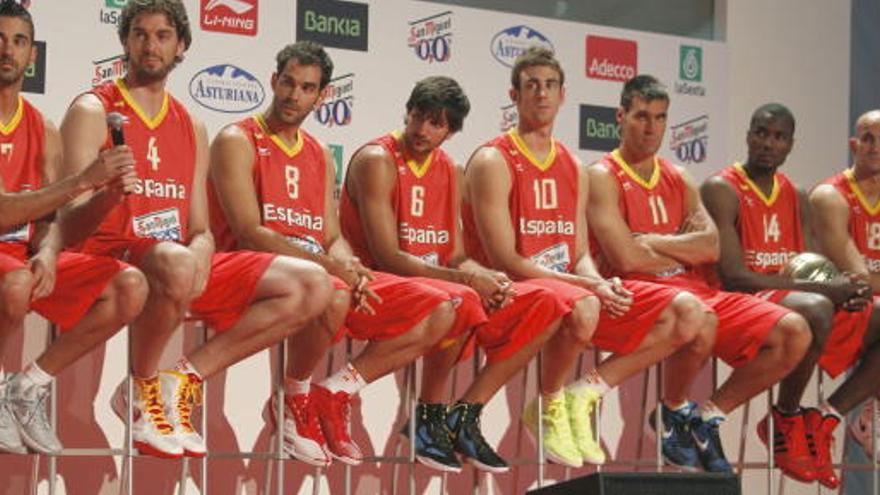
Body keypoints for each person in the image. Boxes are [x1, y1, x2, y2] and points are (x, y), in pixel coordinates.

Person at [58, 0, 332, 459]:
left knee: (313, 283)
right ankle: (141, 391)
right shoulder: (94, 108)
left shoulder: (193, 123)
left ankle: (180, 379)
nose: (150, 45)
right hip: (109, 260)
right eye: (140, 34)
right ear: (124, 41)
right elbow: (72, 220)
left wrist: (203, 250)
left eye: (163, 35)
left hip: (175, 267)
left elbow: (201, 226)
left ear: (181, 45)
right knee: (173, 258)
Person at [460, 47, 711, 470]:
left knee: (687, 311)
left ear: (563, 95)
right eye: (531, 85)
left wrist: (597, 279)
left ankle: (583, 394)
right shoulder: (493, 159)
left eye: (550, 85)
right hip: (517, 294)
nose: (541, 93)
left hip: (572, 293)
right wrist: (589, 286)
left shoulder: (573, 166)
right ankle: (549, 403)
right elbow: (506, 258)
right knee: (584, 302)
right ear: (514, 95)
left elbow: (578, 254)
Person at [209, 41, 455, 468]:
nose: (293, 95)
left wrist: (352, 266)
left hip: (318, 278)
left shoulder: (319, 152)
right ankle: (294, 396)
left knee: (445, 304)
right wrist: (333, 267)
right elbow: (250, 233)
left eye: (307, 88)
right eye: (288, 83)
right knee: (333, 289)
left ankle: (336, 391)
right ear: (273, 81)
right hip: (252, 274)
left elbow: (332, 235)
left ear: (322, 96)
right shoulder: (238, 138)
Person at [340, 75, 566, 473]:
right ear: (407, 112)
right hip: (374, 288)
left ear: (451, 130)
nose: (422, 130)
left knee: (546, 300)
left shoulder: (450, 168)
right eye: (418, 117)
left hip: (434, 290)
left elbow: (458, 256)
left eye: (436, 124)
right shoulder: (378, 159)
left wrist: (489, 278)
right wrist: (466, 280)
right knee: (460, 298)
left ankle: (465, 414)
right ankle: (429, 413)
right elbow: (386, 257)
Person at [587, 75, 812, 473]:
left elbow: (711, 248)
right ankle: (672, 409)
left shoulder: (679, 175)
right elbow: (625, 257)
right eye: (641, 116)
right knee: (697, 314)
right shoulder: (602, 174)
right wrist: (678, 246)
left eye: (660, 117)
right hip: (646, 297)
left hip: (699, 293)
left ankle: (707, 418)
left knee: (795, 331)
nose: (651, 127)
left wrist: (652, 240)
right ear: (621, 117)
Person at [701, 103, 879, 488]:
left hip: (790, 297)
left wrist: (847, 290)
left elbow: (815, 265)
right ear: (748, 135)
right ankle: (786, 417)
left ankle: (824, 420)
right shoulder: (721, 187)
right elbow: (732, 276)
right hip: (741, 301)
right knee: (814, 306)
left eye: (778, 137)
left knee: (873, 311)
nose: (768, 143)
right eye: (761, 133)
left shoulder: (794, 193)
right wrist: (825, 289)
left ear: (790, 145)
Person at [0, 0, 147, 455]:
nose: (8, 49)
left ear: (33, 56)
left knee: (129, 287)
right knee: (18, 281)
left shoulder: (42, 126)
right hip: (10, 268)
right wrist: (82, 181)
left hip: (21, 259)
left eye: (19, 41)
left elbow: (50, 222)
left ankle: (26, 387)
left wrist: (48, 250)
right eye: (0, 39)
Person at [811, 108, 880, 463]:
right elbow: (860, 279)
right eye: (868, 137)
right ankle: (834, 414)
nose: (876, 146)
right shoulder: (830, 195)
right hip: (839, 307)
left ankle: (847, 416)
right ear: (854, 144)